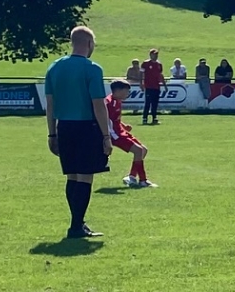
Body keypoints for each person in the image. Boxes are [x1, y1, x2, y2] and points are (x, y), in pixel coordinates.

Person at [44, 26, 114, 240]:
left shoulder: (54, 67)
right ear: (89, 43)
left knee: (72, 175)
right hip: (86, 127)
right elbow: (98, 104)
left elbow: (50, 105)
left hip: (64, 127)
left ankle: (78, 223)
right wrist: (106, 136)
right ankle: (76, 227)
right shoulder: (92, 69)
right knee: (85, 176)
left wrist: (51, 134)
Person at [106, 80, 154, 187]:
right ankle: (143, 180)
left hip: (120, 131)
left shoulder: (117, 100)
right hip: (115, 135)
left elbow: (113, 119)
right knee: (139, 150)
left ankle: (131, 177)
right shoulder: (109, 103)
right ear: (118, 91)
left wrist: (123, 125)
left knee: (143, 150)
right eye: (126, 91)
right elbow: (105, 120)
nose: (128, 93)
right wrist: (107, 136)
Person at [139, 49, 164, 125]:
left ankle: (154, 118)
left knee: (155, 103)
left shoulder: (159, 64)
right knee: (148, 103)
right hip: (148, 86)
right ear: (150, 55)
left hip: (156, 86)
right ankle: (145, 118)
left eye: (156, 55)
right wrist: (141, 83)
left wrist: (164, 84)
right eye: (154, 54)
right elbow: (141, 73)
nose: (155, 56)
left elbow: (160, 74)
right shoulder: (145, 63)